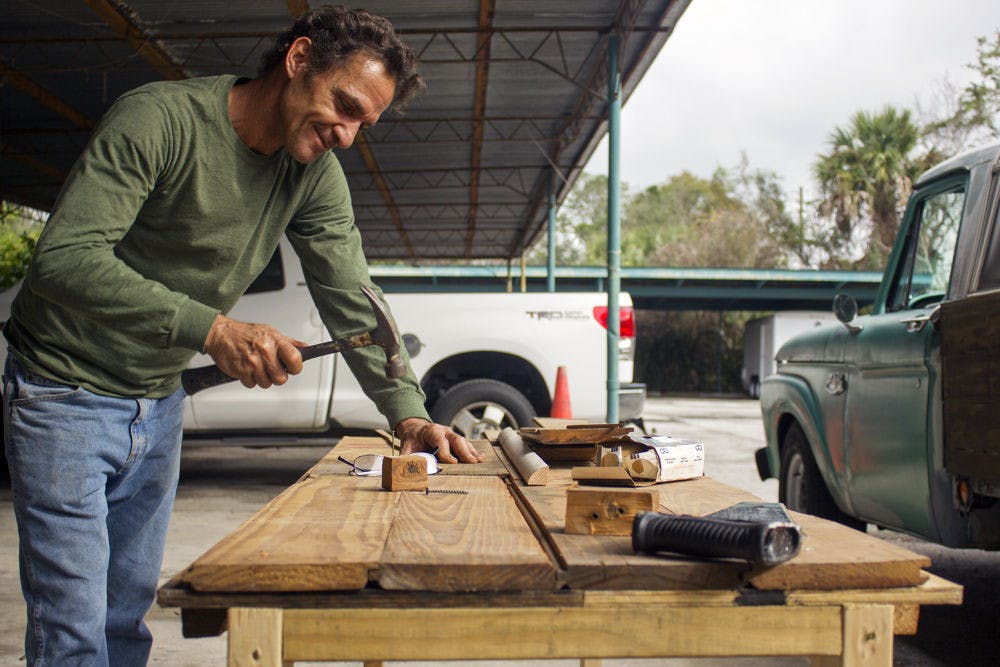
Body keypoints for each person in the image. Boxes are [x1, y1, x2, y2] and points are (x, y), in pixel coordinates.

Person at [2, 5, 484, 665]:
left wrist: (408, 414)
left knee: (123, 623)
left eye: (362, 125)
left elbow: (352, 301)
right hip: (63, 391)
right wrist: (213, 328)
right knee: (73, 631)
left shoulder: (312, 174)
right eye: (344, 106)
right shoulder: (161, 121)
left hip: (157, 398)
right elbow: (64, 260)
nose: (347, 135)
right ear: (298, 61)